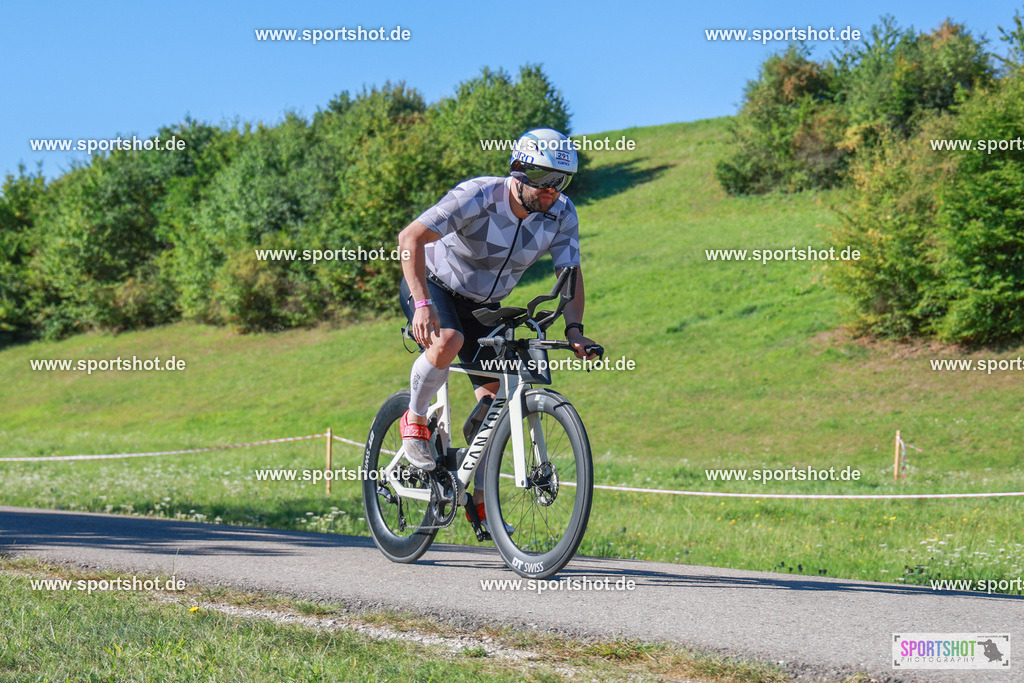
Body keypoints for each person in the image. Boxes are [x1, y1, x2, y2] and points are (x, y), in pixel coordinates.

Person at [396, 128, 598, 535]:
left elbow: (570, 275)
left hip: (483, 306)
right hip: (434, 283)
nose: (552, 192)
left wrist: (575, 329)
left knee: (496, 401)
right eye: (544, 180)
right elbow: (410, 238)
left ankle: (474, 491)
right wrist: (421, 303)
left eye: (562, 182)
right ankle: (414, 419)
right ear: (519, 170)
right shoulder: (478, 195)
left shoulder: (561, 213)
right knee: (449, 340)